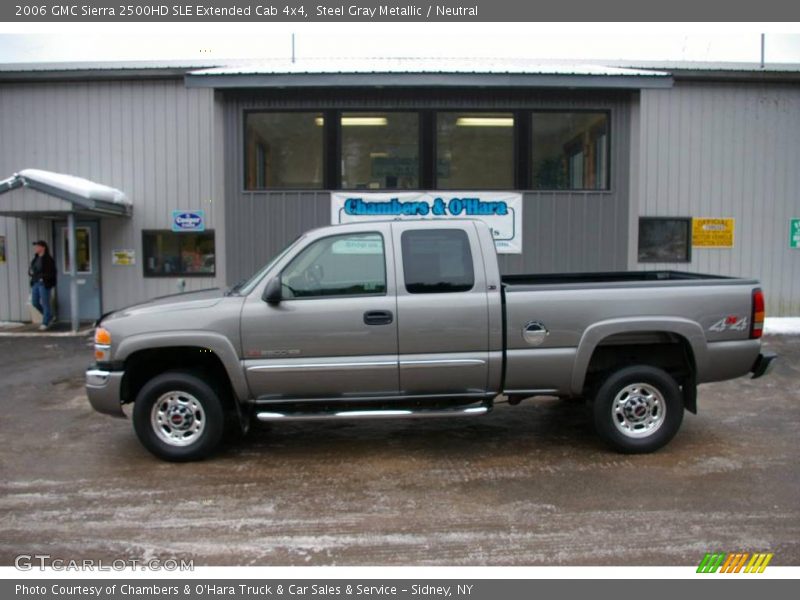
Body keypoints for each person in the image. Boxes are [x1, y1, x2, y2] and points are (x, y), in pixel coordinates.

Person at [29, 240, 57, 330]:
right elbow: (32, 269)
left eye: (37, 246)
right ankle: (49, 316)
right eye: (35, 246)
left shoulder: (48, 259)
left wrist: (44, 278)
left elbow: (52, 272)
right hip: (36, 282)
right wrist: (31, 273)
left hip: (44, 283)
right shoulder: (36, 258)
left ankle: (45, 322)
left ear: (43, 247)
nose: (36, 248)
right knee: (35, 302)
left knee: (45, 303)